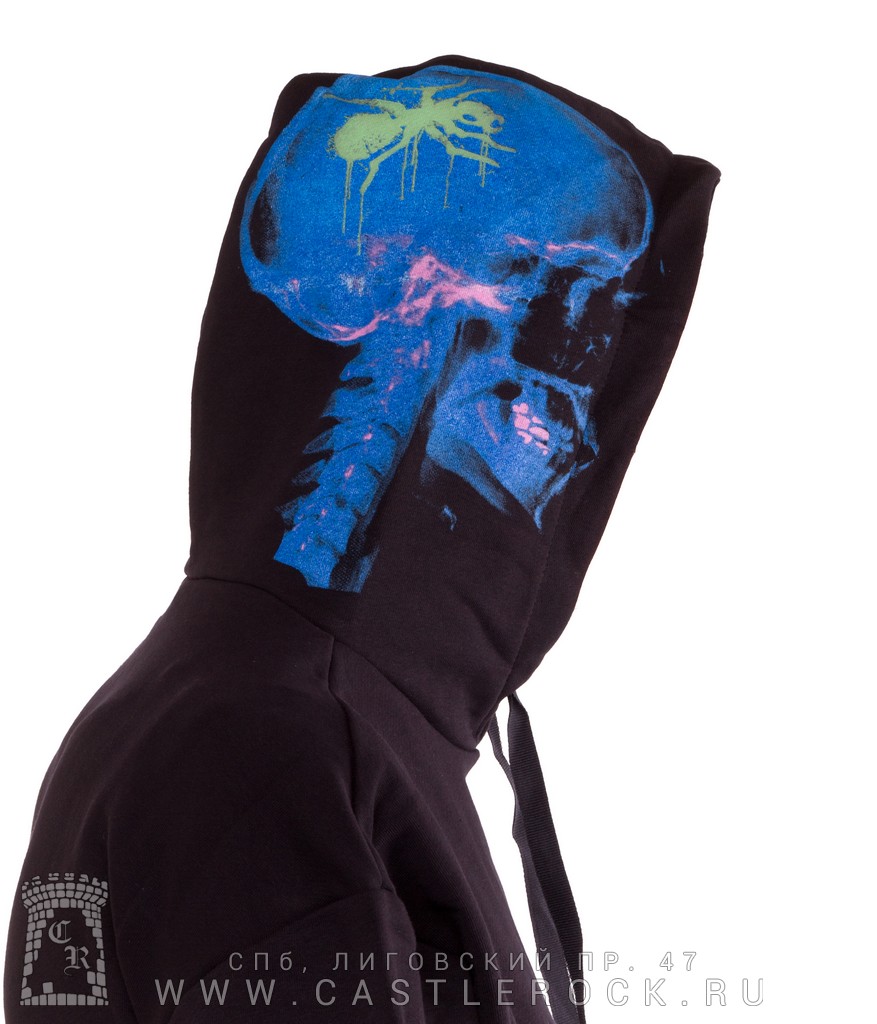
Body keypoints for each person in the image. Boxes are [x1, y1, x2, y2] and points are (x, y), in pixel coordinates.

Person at [3, 54, 719, 1022]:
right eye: (561, 324)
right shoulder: (283, 742)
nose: (586, 436)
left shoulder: (242, 703)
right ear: (435, 317)